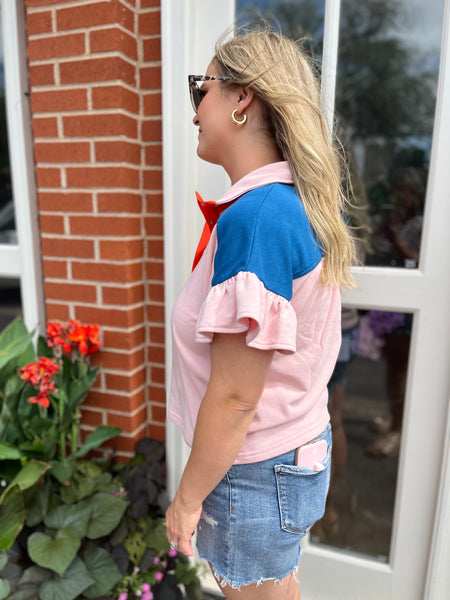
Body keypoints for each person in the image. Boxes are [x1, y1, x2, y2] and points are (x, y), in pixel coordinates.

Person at [165, 27, 356, 599]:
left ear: (241, 97)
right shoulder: (288, 205)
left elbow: (234, 397)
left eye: (203, 88)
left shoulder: (258, 218)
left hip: (253, 468)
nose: (196, 108)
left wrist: (187, 499)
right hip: (283, 455)